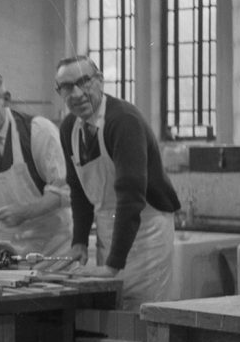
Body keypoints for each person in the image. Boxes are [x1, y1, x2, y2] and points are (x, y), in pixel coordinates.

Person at [55, 55, 180, 310]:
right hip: (109, 231)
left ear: (100, 81)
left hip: (146, 233)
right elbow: (78, 189)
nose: (77, 93)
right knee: (114, 316)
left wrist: (112, 266)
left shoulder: (123, 121)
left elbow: (131, 197)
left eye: (84, 82)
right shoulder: (70, 127)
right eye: (67, 87)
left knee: (145, 317)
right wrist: (79, 242)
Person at [0, 66, 73, 263]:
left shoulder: (39, 132)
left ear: (6, 99)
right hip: (6, 254)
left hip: (53, 252)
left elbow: (65, 192)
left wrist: (26, 212)